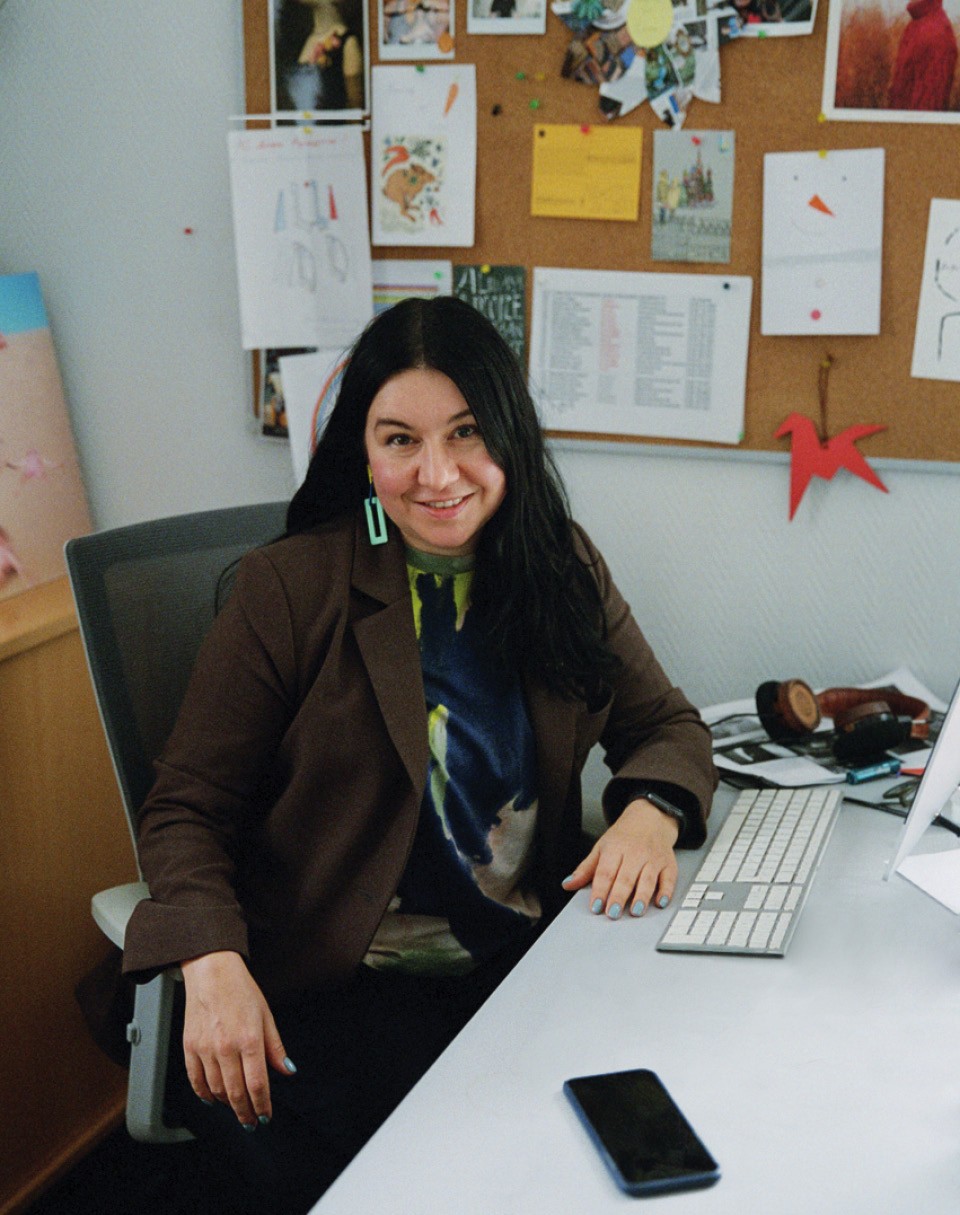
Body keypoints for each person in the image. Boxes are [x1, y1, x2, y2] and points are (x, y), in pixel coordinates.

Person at [123, 297, 717, 1212]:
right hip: (341, 988)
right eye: (400, 439)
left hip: (518, 967)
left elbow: (668, 725)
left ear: (509, 437)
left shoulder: (560, 564)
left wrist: (652, 810)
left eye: (466, 432)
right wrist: (209, 959)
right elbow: (186, 808)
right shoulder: (292, 586)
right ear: (363, 453)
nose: (437, 474)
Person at [887, 0, 958, 112]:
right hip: (900, 120)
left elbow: (928, 110)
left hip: (913, 122)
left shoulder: (938, 34)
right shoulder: (915, 25)